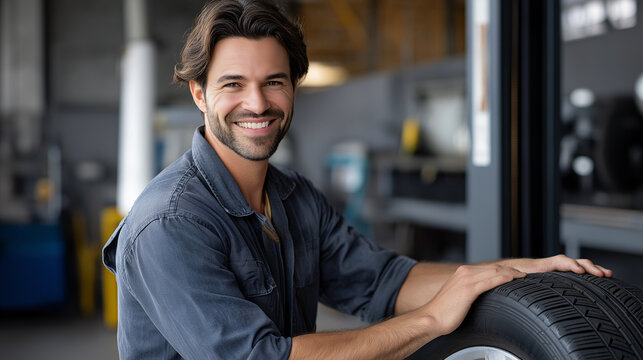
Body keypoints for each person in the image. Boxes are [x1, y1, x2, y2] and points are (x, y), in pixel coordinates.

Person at [102, 1, 612, 359]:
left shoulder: (294, 199)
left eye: (273, 83)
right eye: (233, 84)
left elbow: (386, 281)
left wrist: (510, 273)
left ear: (293, 88)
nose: (257, 104)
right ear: (198, 93)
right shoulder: (170, 224)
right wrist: (432, 319)